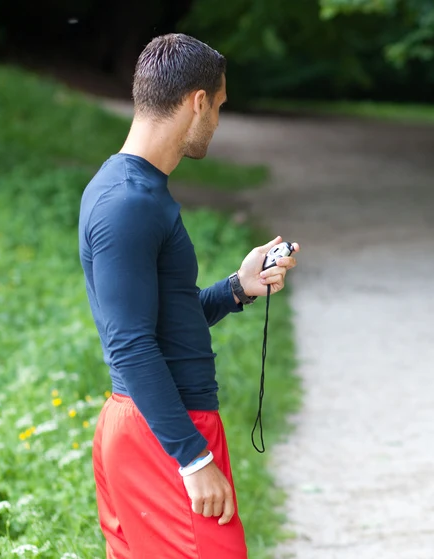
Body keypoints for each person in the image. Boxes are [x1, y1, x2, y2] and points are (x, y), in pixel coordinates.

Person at [78, 33, 299, 558]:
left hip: (154, 424)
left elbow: (158, 322)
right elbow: (130, 343)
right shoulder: (127, 203)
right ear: (197, 101)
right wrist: (193, 460)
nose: (217, 122)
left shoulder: (135, 190)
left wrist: (236, 290)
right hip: (165, 430)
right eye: (219, 106)